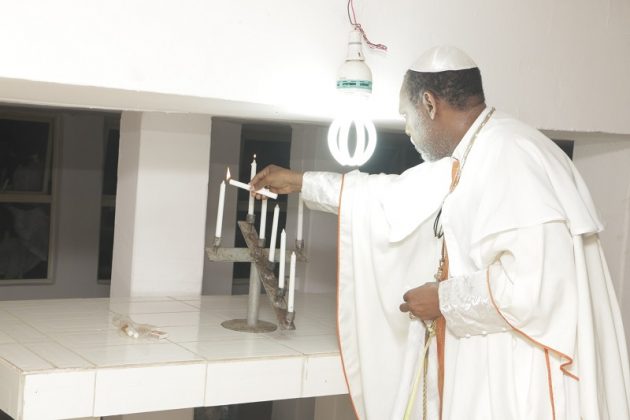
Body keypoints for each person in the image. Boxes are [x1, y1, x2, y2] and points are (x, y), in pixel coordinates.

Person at [251, 46, 630, 420]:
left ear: (429, 104)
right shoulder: (479, 151)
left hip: (522, 382)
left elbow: (536, 287)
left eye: (406, 115)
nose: (406, 129)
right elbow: (389, 198)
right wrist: (302, 182)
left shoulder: (509, 154)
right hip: (494, 368)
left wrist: (443, 299)